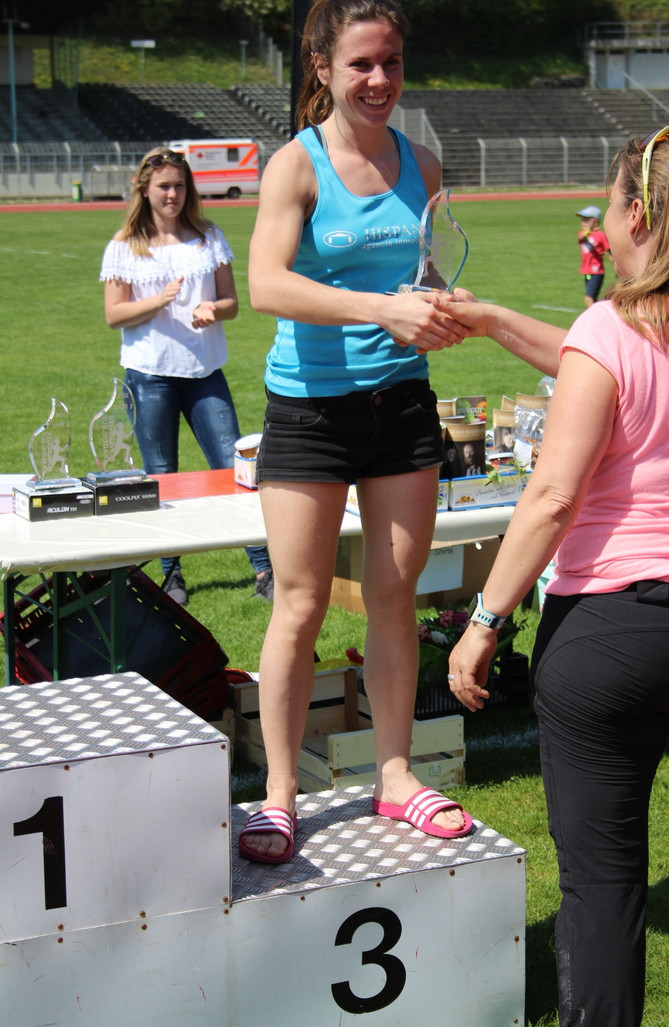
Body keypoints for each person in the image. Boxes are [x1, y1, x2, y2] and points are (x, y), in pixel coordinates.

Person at [441, 127, 669, 1027]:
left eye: (607, 206)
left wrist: (483, 623)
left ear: (638, 218)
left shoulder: (613, 330)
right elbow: (585, 356)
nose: (599, 223)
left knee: (604, 890)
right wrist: (488, 321)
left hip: (608, 634)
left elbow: (553, 495)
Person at [239, 0, 472, 863]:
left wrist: (440, 305)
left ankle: (397, 776)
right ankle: (278, 795)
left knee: (393, 601)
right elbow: (266, 284)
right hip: (307, 409)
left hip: (401, 406)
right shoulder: (294, 168)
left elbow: (422, 272)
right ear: (323, 67)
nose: (380, 81)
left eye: (393, 64)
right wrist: (380, 308)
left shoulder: (425, 163)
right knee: (298, 605)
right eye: (363, 64)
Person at [100, 147, 273, 606]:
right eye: (164, 187)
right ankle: (171, 577)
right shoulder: (124, 246)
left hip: (204, 373)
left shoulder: (207, 238)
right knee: (160, 477)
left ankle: (263, 570)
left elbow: (232, 302)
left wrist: (211, 307)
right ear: (145, 189)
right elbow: (114, 315)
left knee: (236, 470)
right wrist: (158, 301)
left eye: (179, 186)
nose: (172, 194)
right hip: (148, 376)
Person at [575, 204, 612, 308]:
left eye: (586, 220)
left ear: (595, 221)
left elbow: (609, 253)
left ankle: (594, 320)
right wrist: (588, 231)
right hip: (586, 271)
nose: (583, 222)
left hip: (597, 272)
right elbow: (582, 239)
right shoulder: (582, 233)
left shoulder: (600, 236)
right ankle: (605, 311)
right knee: (594, 300)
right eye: (582, 219)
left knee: (588, 298)